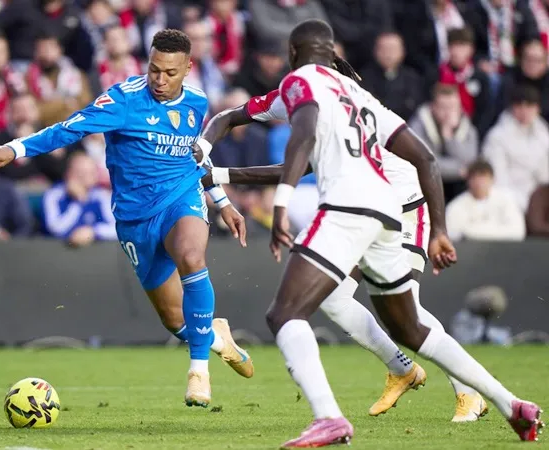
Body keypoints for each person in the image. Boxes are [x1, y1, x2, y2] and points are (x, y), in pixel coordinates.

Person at [217, 19, 541, 447]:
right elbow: (426, 156)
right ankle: (510, 403)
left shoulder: (301, 83)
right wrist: (442, 231)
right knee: (403, 326)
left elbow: (303, 138)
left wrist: (280, 205)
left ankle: (331, 416)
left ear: (294, 55)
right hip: (387, 210)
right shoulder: (359, 96)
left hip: (368, 208)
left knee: (285, 314)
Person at [0, 29, 253, 407]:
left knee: (192, 258)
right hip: (135, 218)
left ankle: (198, 374)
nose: (160, 80)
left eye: (170, 73)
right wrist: (11, 150)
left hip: (181, 197)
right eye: (154, 70)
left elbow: (195, 156)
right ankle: (214, 336)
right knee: (176, 321)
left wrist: (221, 201)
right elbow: (67, 130)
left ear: (188, 68)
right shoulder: (123, 101)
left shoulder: (197, 102)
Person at [196, 85, 493, 422]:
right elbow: (230, 116)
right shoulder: (293, 93)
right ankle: (401, 369)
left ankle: (469, 392)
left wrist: (218, 174)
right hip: (363, 212)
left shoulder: (344, 103)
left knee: (406, 306)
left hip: (404, 207)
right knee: (333, 297)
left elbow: (295, 168)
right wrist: (204, 149)